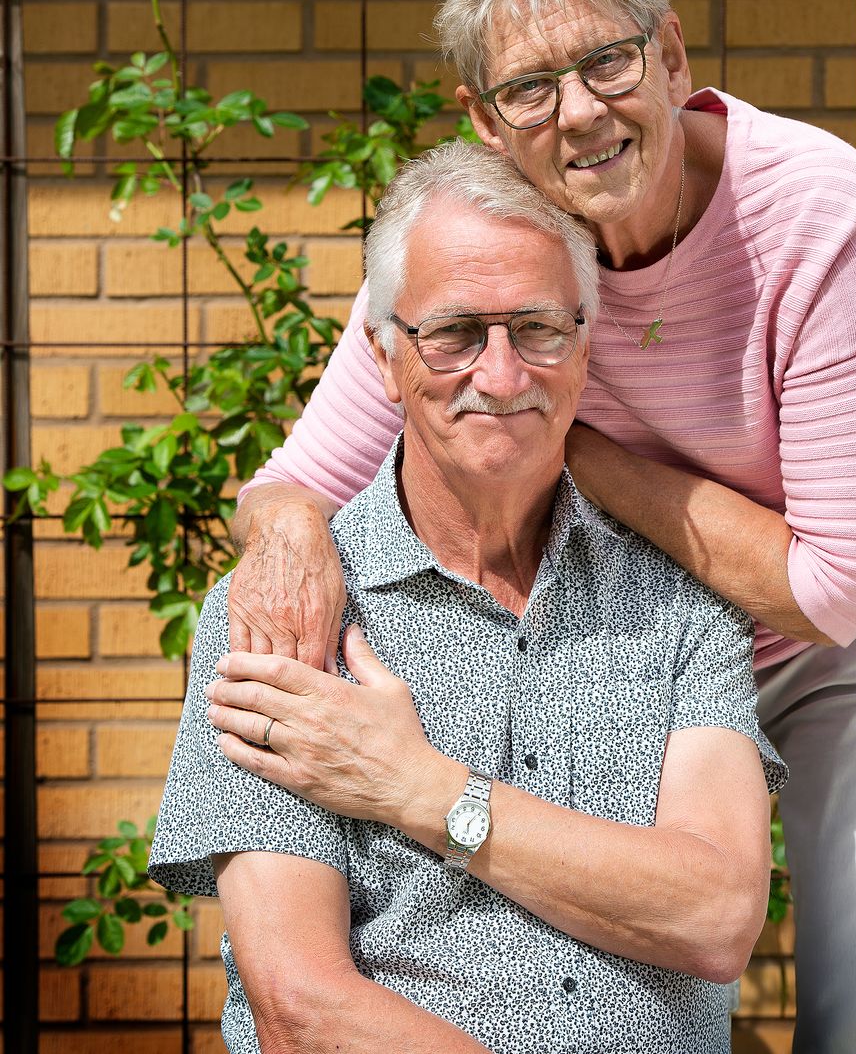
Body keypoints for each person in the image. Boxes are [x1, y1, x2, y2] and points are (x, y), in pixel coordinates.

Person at [228, 0, 856, 1054]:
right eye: (529, 88)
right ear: (484, 122)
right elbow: (300, 479)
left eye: (607, 61)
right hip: (646, 633)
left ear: (670, 56)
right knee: (586, 965)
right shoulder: (484, 234)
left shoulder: (810, 206)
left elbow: (836, 584)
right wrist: (281, 540)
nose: (579, 111)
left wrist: (564, 442)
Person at [148, 142, 785, 1054]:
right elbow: (300, 1008)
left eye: (537, 328)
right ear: (382, 352)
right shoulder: (286, 613)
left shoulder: (680, 599)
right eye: (453, 333)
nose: (500, 374)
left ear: (584, 344)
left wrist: (424, 789)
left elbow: (718, 915)